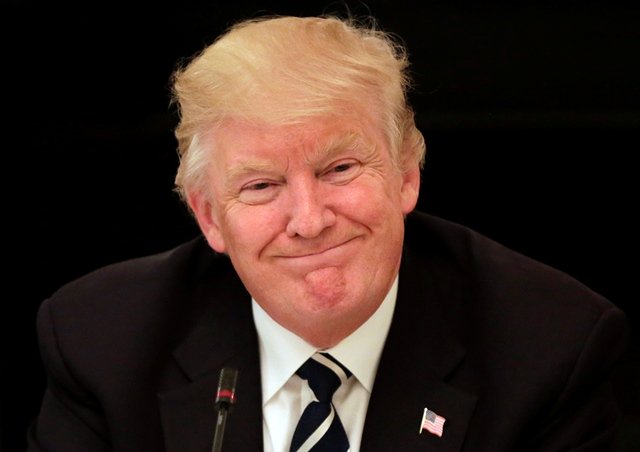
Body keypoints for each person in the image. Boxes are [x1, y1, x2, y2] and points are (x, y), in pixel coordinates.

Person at [28, 15, 628, 452]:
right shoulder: (101, 342)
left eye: (339, 169)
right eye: (261, 185)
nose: (310, 220)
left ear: (406, 176)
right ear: (210, 216)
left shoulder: (551, 346)